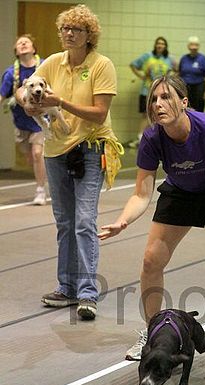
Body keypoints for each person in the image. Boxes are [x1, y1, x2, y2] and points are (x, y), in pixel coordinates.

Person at [99, 75, 205, 381]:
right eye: (154, 99)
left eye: (166, 97)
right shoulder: (153, 138)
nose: (158, 104)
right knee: (151, 260)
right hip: (181, 191)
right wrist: (123, 221)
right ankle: (154, 334)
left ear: (184, 102)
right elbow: (142, 192)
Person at [15, 4, 120, 320]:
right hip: (56, 151)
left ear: (90, 35)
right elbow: (24, 88)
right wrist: (28, 102)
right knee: (65, 223)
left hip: (90, 148)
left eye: (77, 29)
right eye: (65, 29)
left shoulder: (101, 65)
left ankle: (87, 293)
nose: (69, 33)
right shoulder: (51, 63)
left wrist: (59, 101)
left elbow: (99, 112)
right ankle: (67, 288)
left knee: (85, 220)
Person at [0, 34, 47, 205]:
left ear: (34, 49)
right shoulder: (11, 73)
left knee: (37, 153)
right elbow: (2, 96)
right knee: (29, 157)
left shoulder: (44, 66)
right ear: (16, 52)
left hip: (42, 119)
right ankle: (44, 167)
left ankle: (40, 191)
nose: (23, 43)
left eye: (26, 42)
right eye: (19, 43)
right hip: (21, 121)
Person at [129, 36, 177, 147]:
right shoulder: (147, 56)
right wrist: (141, 76)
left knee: (160, 115)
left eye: (162, 44)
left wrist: (170, 79)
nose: (160, 45)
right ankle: (141, 138)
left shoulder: (169, 59)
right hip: (147, 90)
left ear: (165, 46)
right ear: (155, 45)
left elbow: (177, 70)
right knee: (146, 115)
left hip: (162, 92)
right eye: (158, 43)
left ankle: (158, 138)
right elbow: (133, 65)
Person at [179, 36, 205, 112]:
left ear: (199, 46)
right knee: (185, 109)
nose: (194, 47)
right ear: (188, 46)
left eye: (196, 45)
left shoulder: (203, 59)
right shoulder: (184, 58)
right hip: (186, 88)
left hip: (199, 87)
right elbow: (179, 73)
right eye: (192, 45)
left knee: (198, 111)